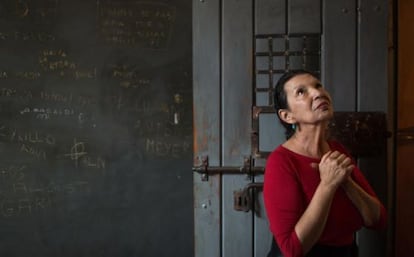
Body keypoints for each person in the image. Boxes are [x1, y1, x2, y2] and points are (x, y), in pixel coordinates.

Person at [263, 70, 387, 257]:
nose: (318, 93)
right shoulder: (281, 162)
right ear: (287, 116)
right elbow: (292, 250)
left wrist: (345, 182)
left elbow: (378, 220)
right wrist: (328, 184)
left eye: (318, 85)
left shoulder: (337, 151)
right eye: (301, 92)